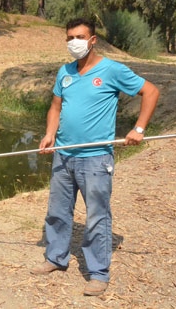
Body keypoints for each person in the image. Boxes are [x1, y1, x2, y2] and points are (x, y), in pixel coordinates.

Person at [31, 18, 159, 296]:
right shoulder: (64, 72)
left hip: (96, 158)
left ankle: (98, 272)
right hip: (63, 155)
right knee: (57, 212)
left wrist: (138, 128)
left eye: (79, 37)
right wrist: (49, 134)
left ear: (92, 40)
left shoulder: (111, 70)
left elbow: (150, 91)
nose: (73, 42)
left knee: (97, 216)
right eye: (69, 38)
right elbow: (55, 107)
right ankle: (55, 258)